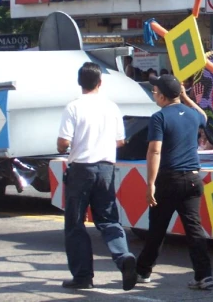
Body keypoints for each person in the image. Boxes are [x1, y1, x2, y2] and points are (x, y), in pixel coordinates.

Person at [57, 62, 138, 291]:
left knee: (75, 223)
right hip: (106, 169)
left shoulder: (73, 107)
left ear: (79, 82)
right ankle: (123, 257)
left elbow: (63, 142)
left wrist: (65, 145)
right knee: (108, 219)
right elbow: (120, 141)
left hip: (81, 169)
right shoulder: (111, 107)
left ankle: (83, 276)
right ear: (100, 83)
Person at [136, 74, 213, 290]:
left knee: (157, 229)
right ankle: (204, 275)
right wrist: (185, 98)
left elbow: (154, 150)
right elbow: (203, 118)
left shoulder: (159, 117)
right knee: (194, 230)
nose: (154, 94)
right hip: (192, 179)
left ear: (161, 96)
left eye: (155, 91)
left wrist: (150, 182)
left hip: (168, 179)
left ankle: (143, 271)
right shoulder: (191, 115)